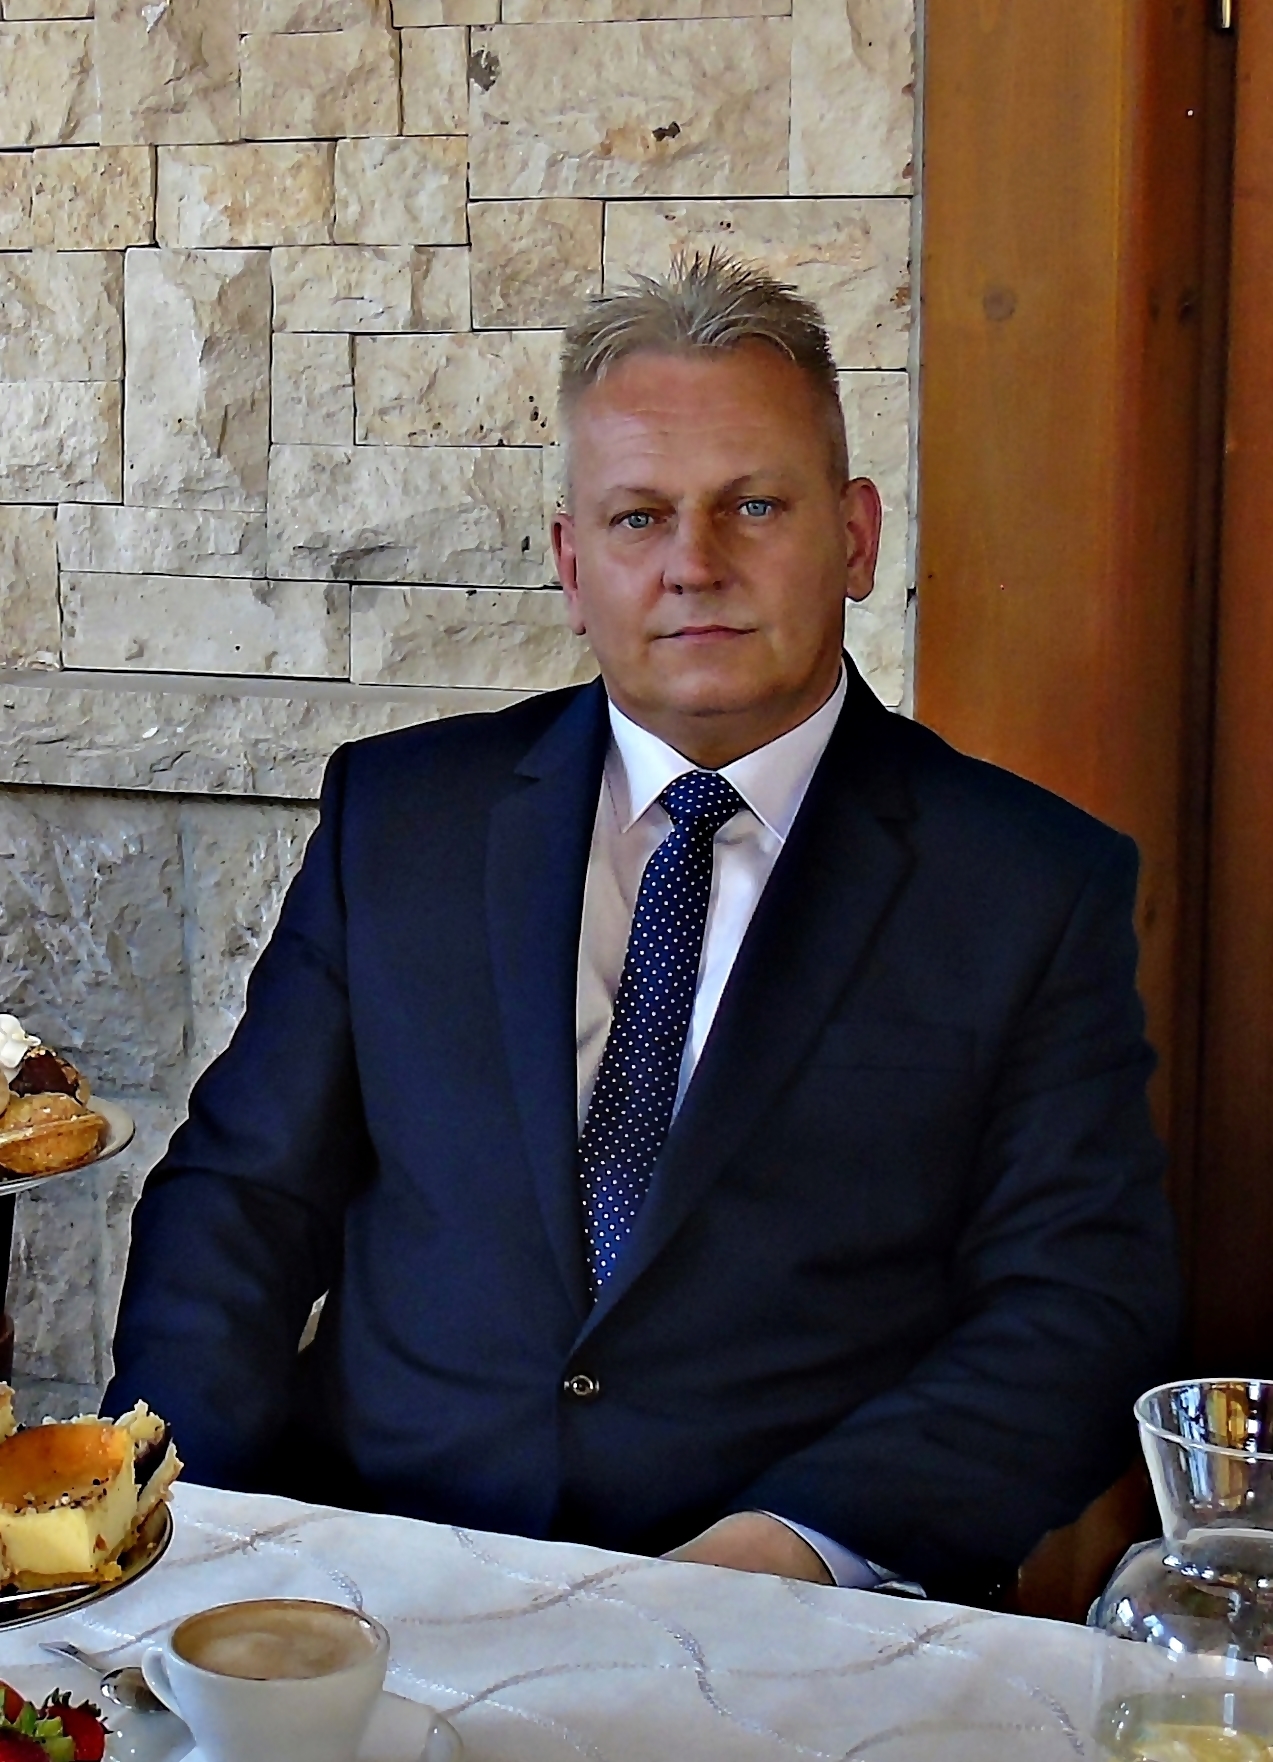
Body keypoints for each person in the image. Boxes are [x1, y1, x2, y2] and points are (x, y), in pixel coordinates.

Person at [106, 253, 1178, 1602]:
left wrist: (791, 1549)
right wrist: (183, 1523)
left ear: (855, 537)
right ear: (572, 564)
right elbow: (242, 1199)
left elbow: (1080, 1303)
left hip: (783, 1621)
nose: (694, 565)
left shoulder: (1027, 883)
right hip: (378, 1581)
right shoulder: (403, 818)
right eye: (638, 517)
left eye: (754, 505)